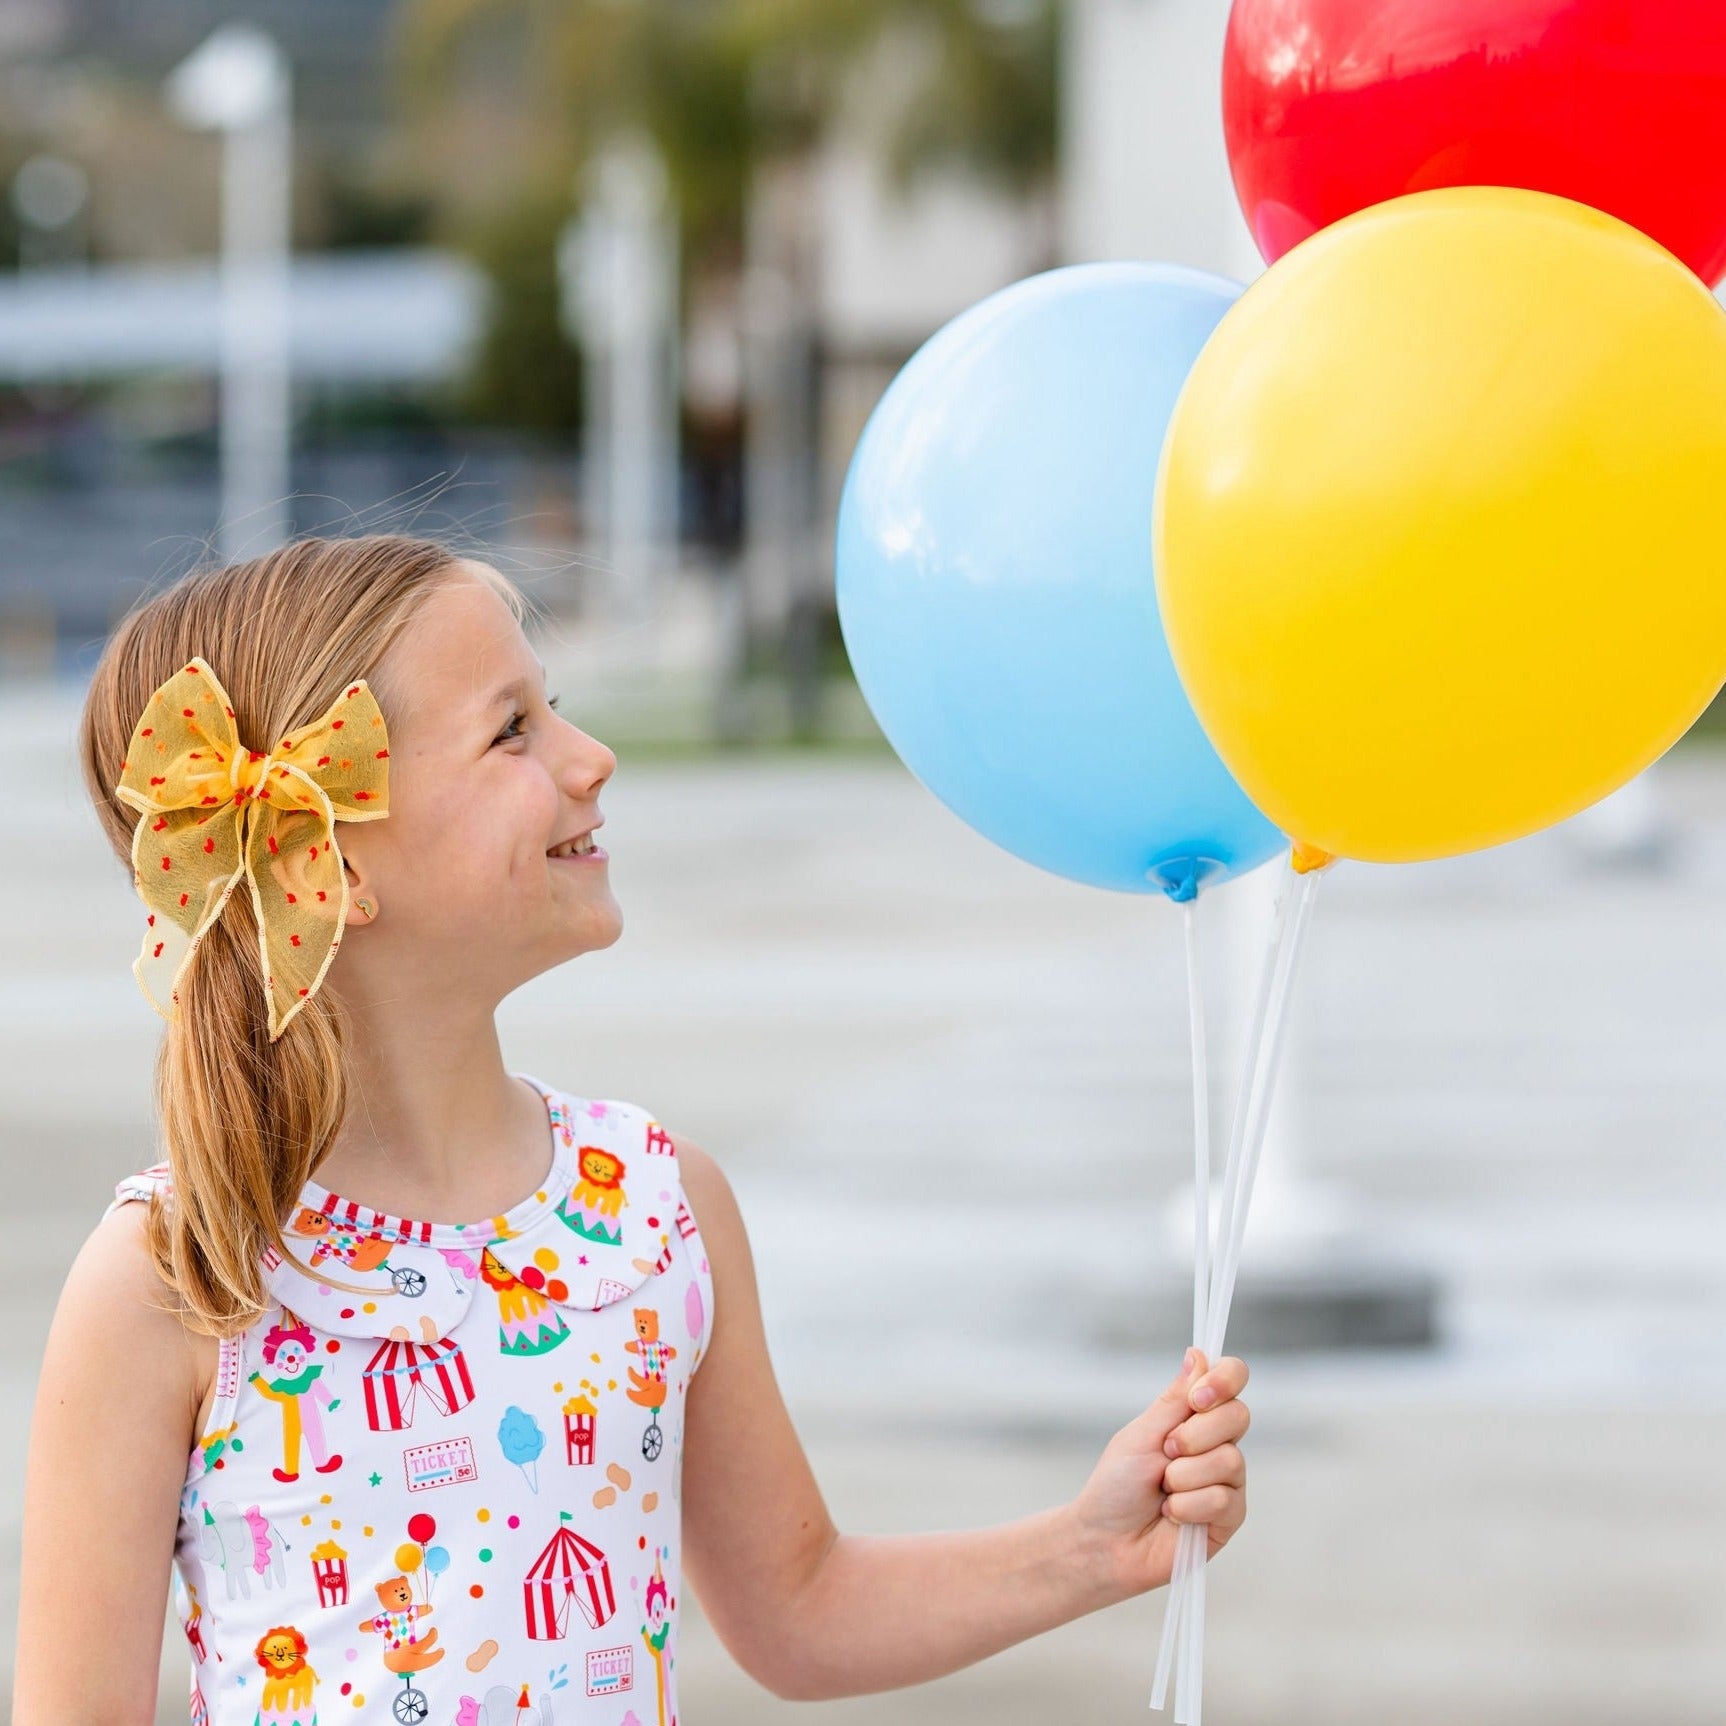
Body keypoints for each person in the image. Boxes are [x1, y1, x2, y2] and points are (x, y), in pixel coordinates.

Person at [13, 534, 1251, 1723]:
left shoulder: (654, 1210)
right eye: (512, 731)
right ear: (330, 862)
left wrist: (1088, 1546)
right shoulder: (178, 1278)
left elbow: (801, 1605)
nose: (591, 756)